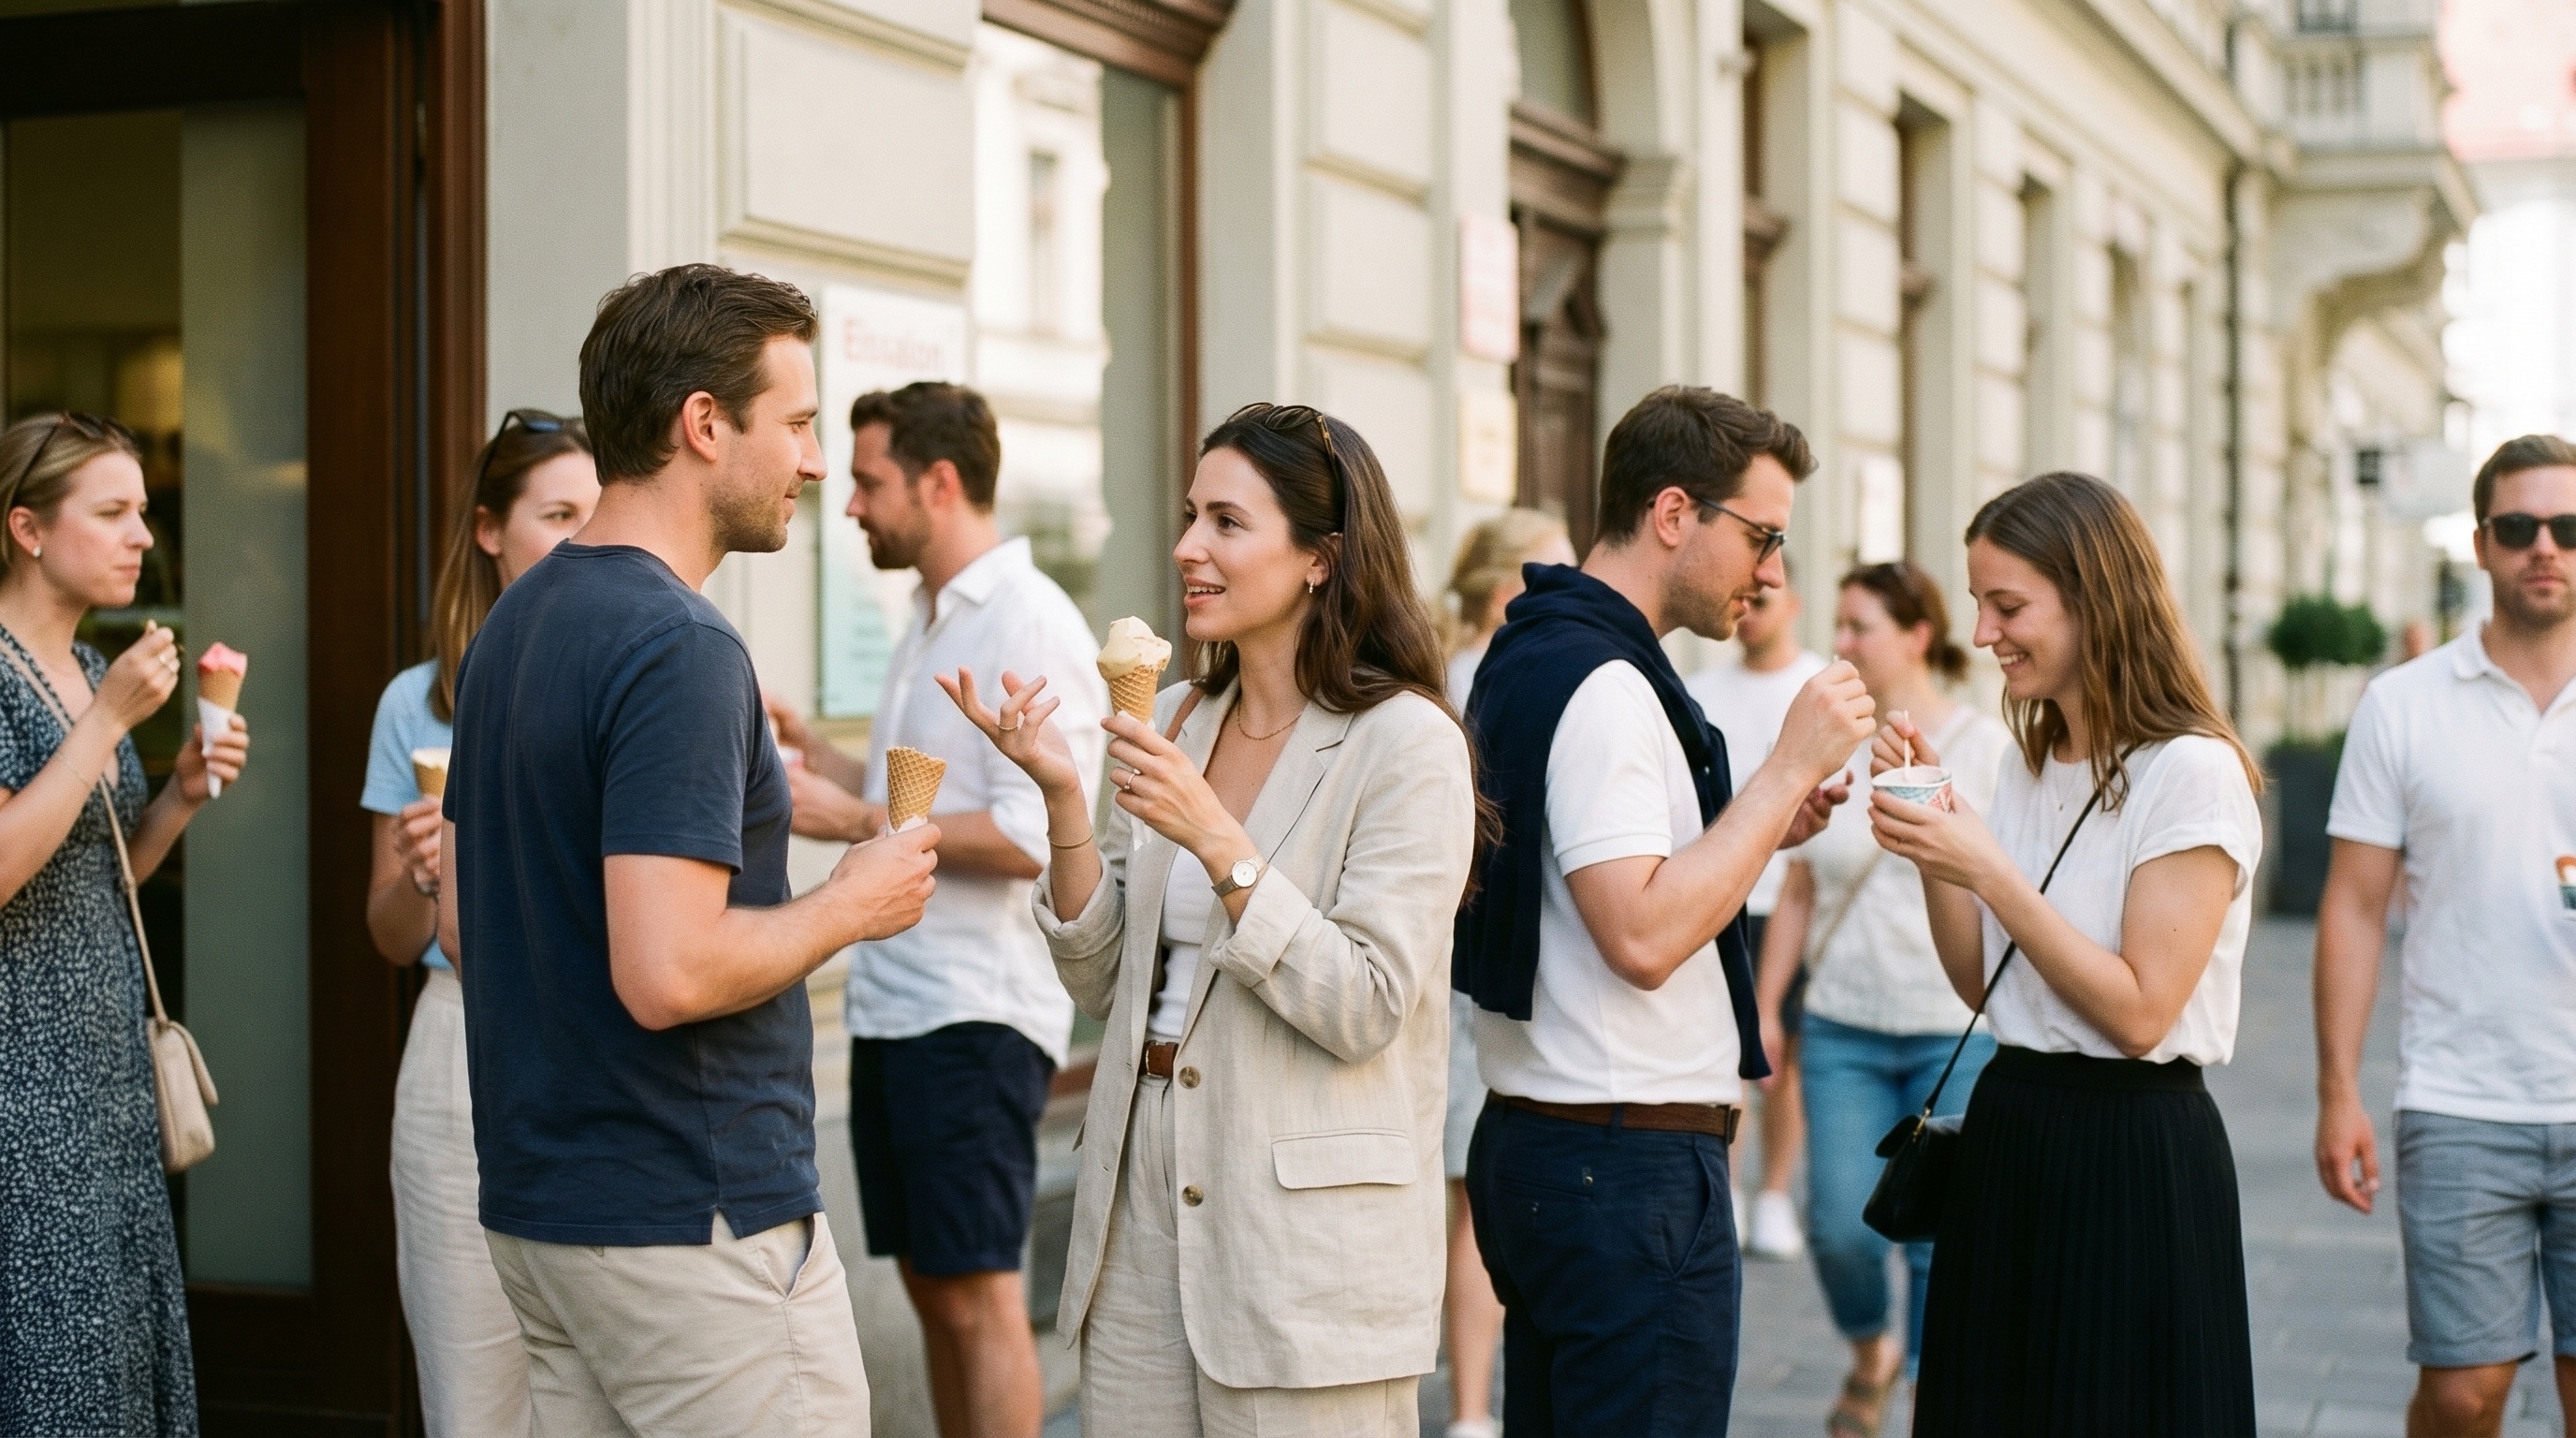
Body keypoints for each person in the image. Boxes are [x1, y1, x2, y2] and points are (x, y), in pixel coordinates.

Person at [437, 263, 940, 1434]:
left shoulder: (515, 620)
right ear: (703, 425)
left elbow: (461, 922)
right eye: (801, 424)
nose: (815, 464)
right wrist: (850, 903)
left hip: (545, 1216)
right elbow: (665, 973)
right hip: (690, 1222)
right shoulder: (681, 645)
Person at [938, 403, 1475, 1435]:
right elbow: (1108, 988)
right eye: (1190, 516)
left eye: (1227, 522)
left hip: (1304, 1249)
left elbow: (1365, 1005)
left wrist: (1220, 841)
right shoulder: (1182, 714)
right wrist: (1061, 799)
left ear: (1320, 558)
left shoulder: (1405, 744)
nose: (1188, 546)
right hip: (1140, 1206)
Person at [1455, 385, 1873, 1435]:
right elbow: (1638, 934)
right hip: (1622, 1170)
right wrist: (1784, 772)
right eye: (1762, 537)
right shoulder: (1602, 682)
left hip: (1560, 1151)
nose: (1772, 571)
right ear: (1675, 513)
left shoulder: (1538, 646)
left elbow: (1592, 880)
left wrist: (1759, 832)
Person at [1869, 471, 2262, 1435]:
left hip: (2132, 1156)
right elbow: (1984, 981)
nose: (1982, 633)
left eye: (2007, 606)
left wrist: (1988, 870)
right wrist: (1932, 840)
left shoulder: (2193, 774)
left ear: (2093, 600)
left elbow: (2138, 1014)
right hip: (2013, 1133)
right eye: (1978, 604)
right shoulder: (2032, 760)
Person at [768, 380, 1105, 1438]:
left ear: (940, 482)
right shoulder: (924, 612)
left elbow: (1030, 833)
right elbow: (924, 801)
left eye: (869, 482)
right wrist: (814, 761)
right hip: (899, 1007)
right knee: (931, 1289)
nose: (852, 503)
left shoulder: (1027, 620)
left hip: (974, 1014)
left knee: (977, 1296)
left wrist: (853, 817)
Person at [2313, 433, 2576, 1437]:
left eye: (2565, 527)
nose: (2543, 547)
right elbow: (2350, 904)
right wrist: (2339, 1091)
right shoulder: (2402, 704)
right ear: (2480, 544)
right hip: (2460, 1100)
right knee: (2466, 1395)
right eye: (2518, 528)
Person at [0, 411, 249, 1435]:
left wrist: (177, 798)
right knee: (54, 1360)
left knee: (113, 1356)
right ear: (27, 528)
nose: (143, 535)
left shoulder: (96, 671)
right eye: (111, 512)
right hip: (23, 1083)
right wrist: (106, 728)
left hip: (107, 1078)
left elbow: (100, 878)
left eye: (141, 511)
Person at [360, 407, 597, 1436]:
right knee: (471, 1397)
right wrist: (419, 876)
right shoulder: (418, 704)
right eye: (557, 513)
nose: (584, 538)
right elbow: (386, 935)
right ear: (491, 530)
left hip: (594, 1051)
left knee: (591, 1400)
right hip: (455, 1055)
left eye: (597, 512)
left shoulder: (628, 680)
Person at [1758, 561, 2010, 1436]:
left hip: (1957, 1034)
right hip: (1843, 1029)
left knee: (1944, 1247)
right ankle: (1873, 1347)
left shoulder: (1987, 746)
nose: (1845, 642)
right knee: (1839, 1229)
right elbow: (1798, 888)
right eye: (1842, 624)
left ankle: (1926, 1403)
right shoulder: (1829, 740)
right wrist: (1766, 1007)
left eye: (1862, 625)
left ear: (1917, 636)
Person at [1435, 506, 1573, 1438]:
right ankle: (1479, 1409)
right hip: (1473, 970)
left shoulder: (1445, 680)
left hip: (1456, 970)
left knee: (1455, 1199)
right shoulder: (1476, 685)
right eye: (1552, 572)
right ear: (1503, 592)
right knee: (1470, 1203)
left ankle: (1474, 1408)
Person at [1688, 558, 1829, 1261]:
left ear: (1795, 603)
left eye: (1767, 599)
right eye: (1748, 599)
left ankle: (1776, 1192)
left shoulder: (1815, 687)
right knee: (1731, 1053)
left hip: (1788, 895)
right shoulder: (1699, 687)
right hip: (1723, 893)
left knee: (1786, 1059)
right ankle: (1735, 1190)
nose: (1752, 611)